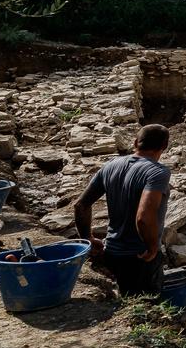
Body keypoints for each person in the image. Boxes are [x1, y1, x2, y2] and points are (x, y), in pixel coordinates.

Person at [73, 123, 171, 296]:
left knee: (123, 300)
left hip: (111, 252)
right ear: (164, 146)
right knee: (146, 307)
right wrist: (153, 247)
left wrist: (87, 238)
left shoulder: (111, 165)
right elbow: (143, 217)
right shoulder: (157, 172)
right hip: (139, 256)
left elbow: (81, 205)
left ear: (135, 143)